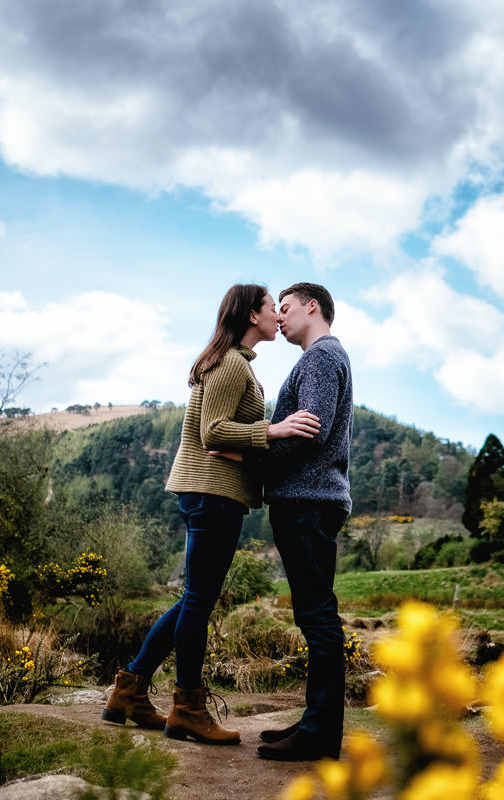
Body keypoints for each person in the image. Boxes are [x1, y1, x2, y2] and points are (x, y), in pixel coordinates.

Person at [102, 283, 320, 746]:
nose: (277, 318)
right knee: (199, 601)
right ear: (250, 315)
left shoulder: (233, 363)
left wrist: (262, 444)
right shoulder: (230, 364)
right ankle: (188, 709)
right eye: (270, 309)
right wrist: (276, 429)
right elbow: (213, 432)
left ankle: (130, 690)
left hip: (211, 492)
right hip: (211, 492)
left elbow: (221, 433)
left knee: (193, 598)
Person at [255, 282, 354, 762]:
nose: (279, 318)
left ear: (312, 307)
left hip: (308, 500)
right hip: (314, 500)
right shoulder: (326, 357)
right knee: (315, 614)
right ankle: (316, 721)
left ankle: (318, 733)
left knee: (316, 616)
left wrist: (256, 458)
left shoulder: (318, 357)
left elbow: (309, 428)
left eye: (287, 308)